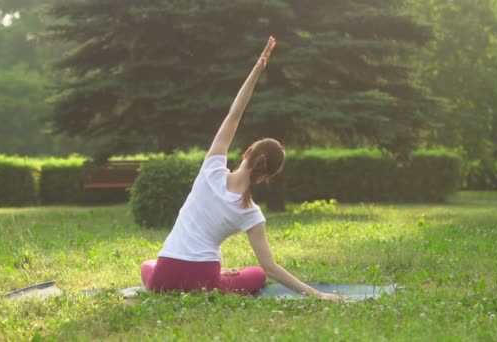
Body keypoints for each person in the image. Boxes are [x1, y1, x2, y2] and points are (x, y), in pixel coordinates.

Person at [140, 36, 344, 301]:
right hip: (205, 281)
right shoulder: (251, 213)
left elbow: (233, 115)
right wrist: (318, 295)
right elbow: (271, 268)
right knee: (256, 274)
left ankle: (210, 276)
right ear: (267, 176)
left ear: (247, 152)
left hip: (165, 275)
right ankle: (222, 277)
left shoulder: (211, 169)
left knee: (148, 266)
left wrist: (257, 69)